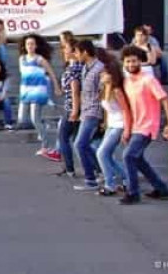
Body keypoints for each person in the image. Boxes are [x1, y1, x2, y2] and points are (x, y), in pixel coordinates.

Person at [119, 46, 168, 205]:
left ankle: (133, 193)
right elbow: (128, 108)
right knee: (138, 159)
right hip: (135, 126)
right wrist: (127, 129)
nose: (131, 64)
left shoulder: (148, 79)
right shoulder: (127, 81)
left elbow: (165, 99)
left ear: (140, 61)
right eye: (128, 61)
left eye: (134, 61)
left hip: (148, 126)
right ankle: (162, 189)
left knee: (129, 156)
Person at [17, 34, 60, 154]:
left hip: (38, 91)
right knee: (22, 118)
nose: (30, 46)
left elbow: (51, 73)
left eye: (32, 44)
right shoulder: (22, 59)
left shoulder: (39, 59)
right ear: (25, 46)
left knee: (34, 118)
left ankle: (45, 146)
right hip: (26, 91)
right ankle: (43, 126)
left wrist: (56, 86)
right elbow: (23, 75)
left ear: (35, 46)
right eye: (28, 44)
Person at [72, 40, 105, 192]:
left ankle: (90, 180)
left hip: (94, 111)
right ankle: (103, 170)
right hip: (86, 111)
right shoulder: (85, 68)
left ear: (85, 52)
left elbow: (104, 92)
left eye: (77, 52)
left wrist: (104, 117)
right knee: (85, 145)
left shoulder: (99, 68)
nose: (75, 55)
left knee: (80, 144)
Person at [95, 59, 132, 196]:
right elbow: (107, 110)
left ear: (112, 75)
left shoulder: (117, 91)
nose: (101, 75)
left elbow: (126, 110)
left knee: (101, 153)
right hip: (111, 125)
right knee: (107, 155)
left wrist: (127, 130)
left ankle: (110, 185)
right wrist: (105, 122)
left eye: (104, 73)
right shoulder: (105, 89)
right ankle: (127, 179)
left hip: (119, 125)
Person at [55, 36, 82, 176]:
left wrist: (74, 111)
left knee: (64, 137)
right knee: (78, 141)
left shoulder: (74, 68)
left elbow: (75, 90)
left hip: (72, 108)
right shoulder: (74, 67)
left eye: (66, 48)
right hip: (72, 106)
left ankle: (70, 168)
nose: (64, 51)